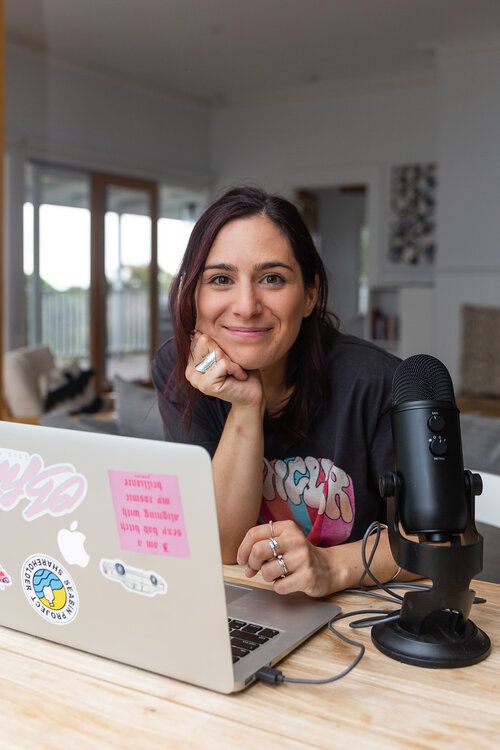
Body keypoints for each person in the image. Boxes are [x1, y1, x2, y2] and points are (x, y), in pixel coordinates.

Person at [152, 185, 404, 598]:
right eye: (220, 279)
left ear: (309, 294)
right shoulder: (177, 369)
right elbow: (222, 548)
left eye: (272, 278)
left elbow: (442, 540)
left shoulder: (378, 383)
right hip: (240, 609)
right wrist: (246, 406)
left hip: (359, 619)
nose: (246, 305)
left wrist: (332, 566)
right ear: (193, 295)